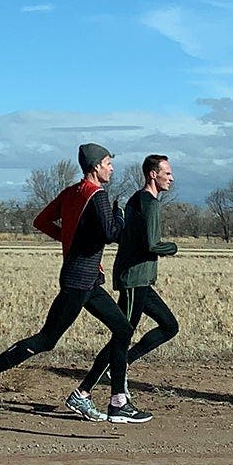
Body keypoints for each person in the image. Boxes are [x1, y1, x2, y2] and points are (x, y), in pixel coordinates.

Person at [0, 143, 150, 424]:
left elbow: (42, 221)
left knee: (122, 329)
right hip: (79, 282)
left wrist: (70, 240)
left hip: (86, 279)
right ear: (96, 166)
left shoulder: (72, 192)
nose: (112, 168)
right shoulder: (97, 195)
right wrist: (121, 216)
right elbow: (112, 233)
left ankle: (115, 401)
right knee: (47, 339)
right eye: (109, 163)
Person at [79, 154, 180, 404]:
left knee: (169, 326)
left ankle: (122, 363)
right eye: (167, 173)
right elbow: (152, 244)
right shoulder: (149, 203)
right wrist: (173, 247)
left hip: (140, 280)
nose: (171, 178)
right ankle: (84, 391)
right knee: (121, 336)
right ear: (152, 174)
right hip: (134, 280)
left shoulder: (137, 199)